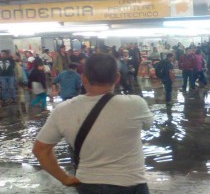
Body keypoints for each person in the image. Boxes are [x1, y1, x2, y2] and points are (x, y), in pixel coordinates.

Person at [32, 54, 153, 193]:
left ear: (83, 78)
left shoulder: (62, 110)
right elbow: (148, 125)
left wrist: (64, 178)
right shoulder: (136, 104)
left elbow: (40, 149)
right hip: (131, 183)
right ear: (117, 78)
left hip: (88, 184)